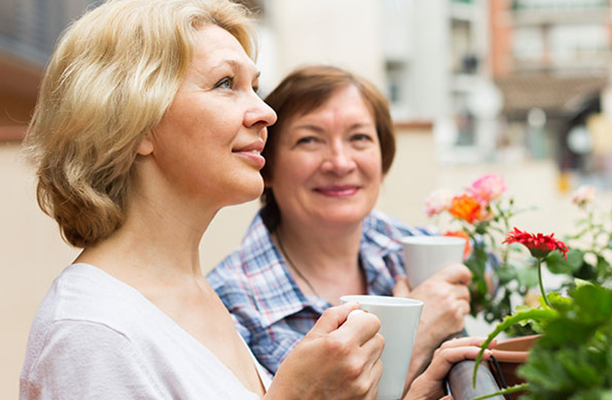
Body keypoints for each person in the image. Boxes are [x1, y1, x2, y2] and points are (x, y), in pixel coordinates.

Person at [19, 1, 489, 399]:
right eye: (225, 84)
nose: (266, 112)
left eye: (255, 87)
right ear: (135, 123)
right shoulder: (92, 332)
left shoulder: (191, 293)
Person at [207, 65, 473, 386]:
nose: (340, 163)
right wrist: (418, 334)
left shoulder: (405, 246)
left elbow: (499, 271)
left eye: (359, 138)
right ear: (268, 165)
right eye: (309, 140)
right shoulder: (228, 307)